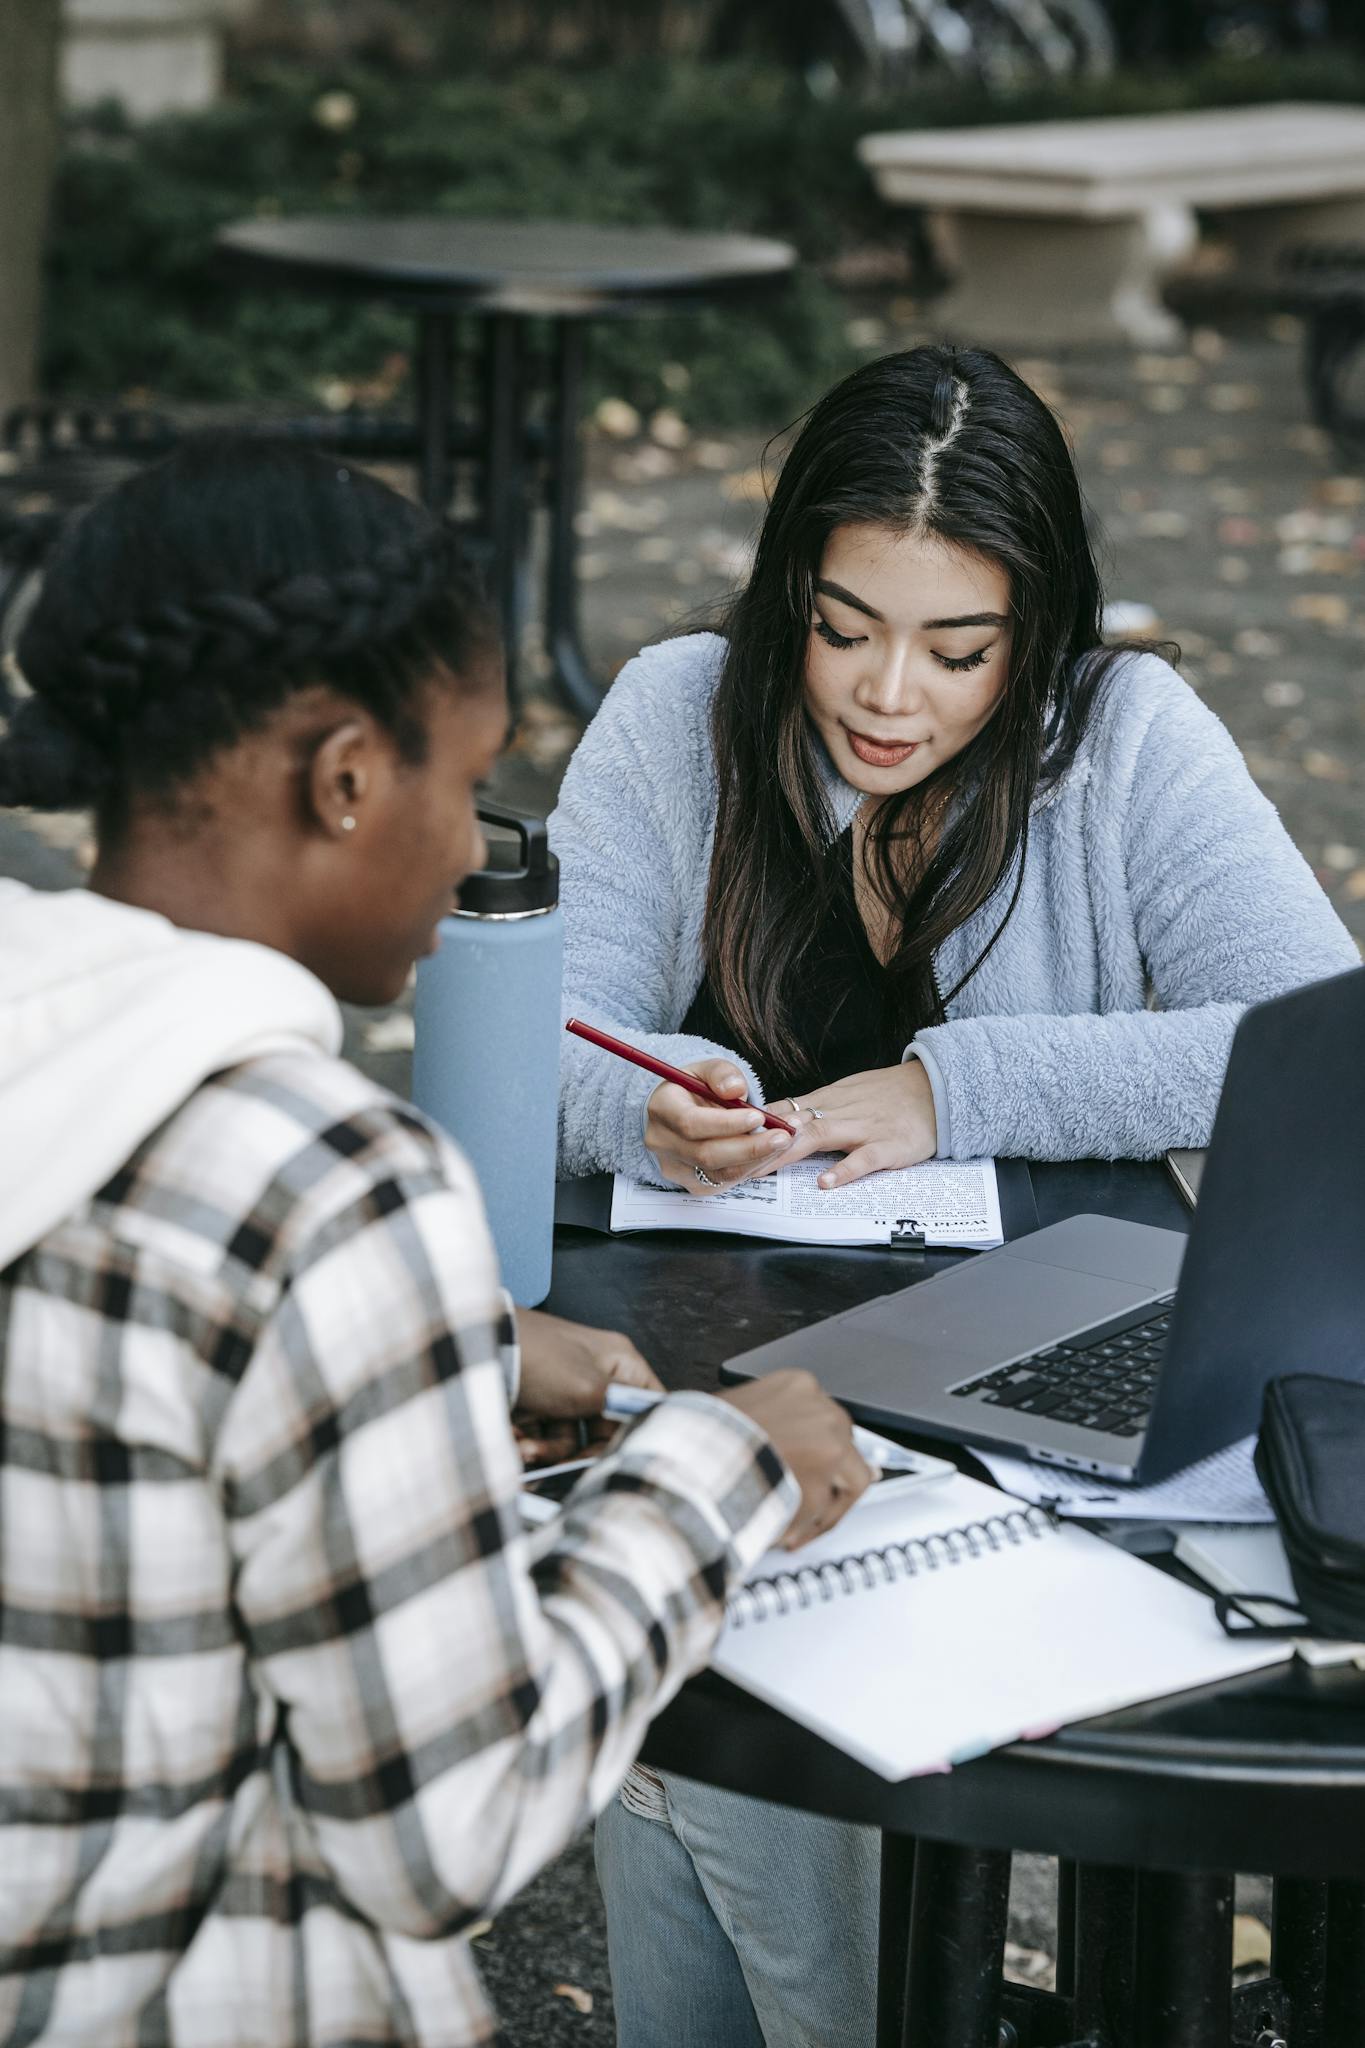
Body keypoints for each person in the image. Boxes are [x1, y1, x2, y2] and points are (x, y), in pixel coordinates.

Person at [0, 438, 873, 2048]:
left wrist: (444, 1347)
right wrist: (713, 1475)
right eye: (464, 781)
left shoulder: (44, 1050)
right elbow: (443, 1826)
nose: (479, 844)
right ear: (341, 778)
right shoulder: (330, 1186)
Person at [549, 345, 1359, 2046]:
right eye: (842, 628)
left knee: (725, 1738)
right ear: (787, 593)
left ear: (1040, 631)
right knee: (730, 1699)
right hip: (736, 1363)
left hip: (1047, 1362)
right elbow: (550, 1042)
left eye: (958, 646)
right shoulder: (674, 714)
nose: (887, 695)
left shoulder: (1123, 738)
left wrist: (956, 1088)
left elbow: (1313, 1038)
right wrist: (646, 1106)